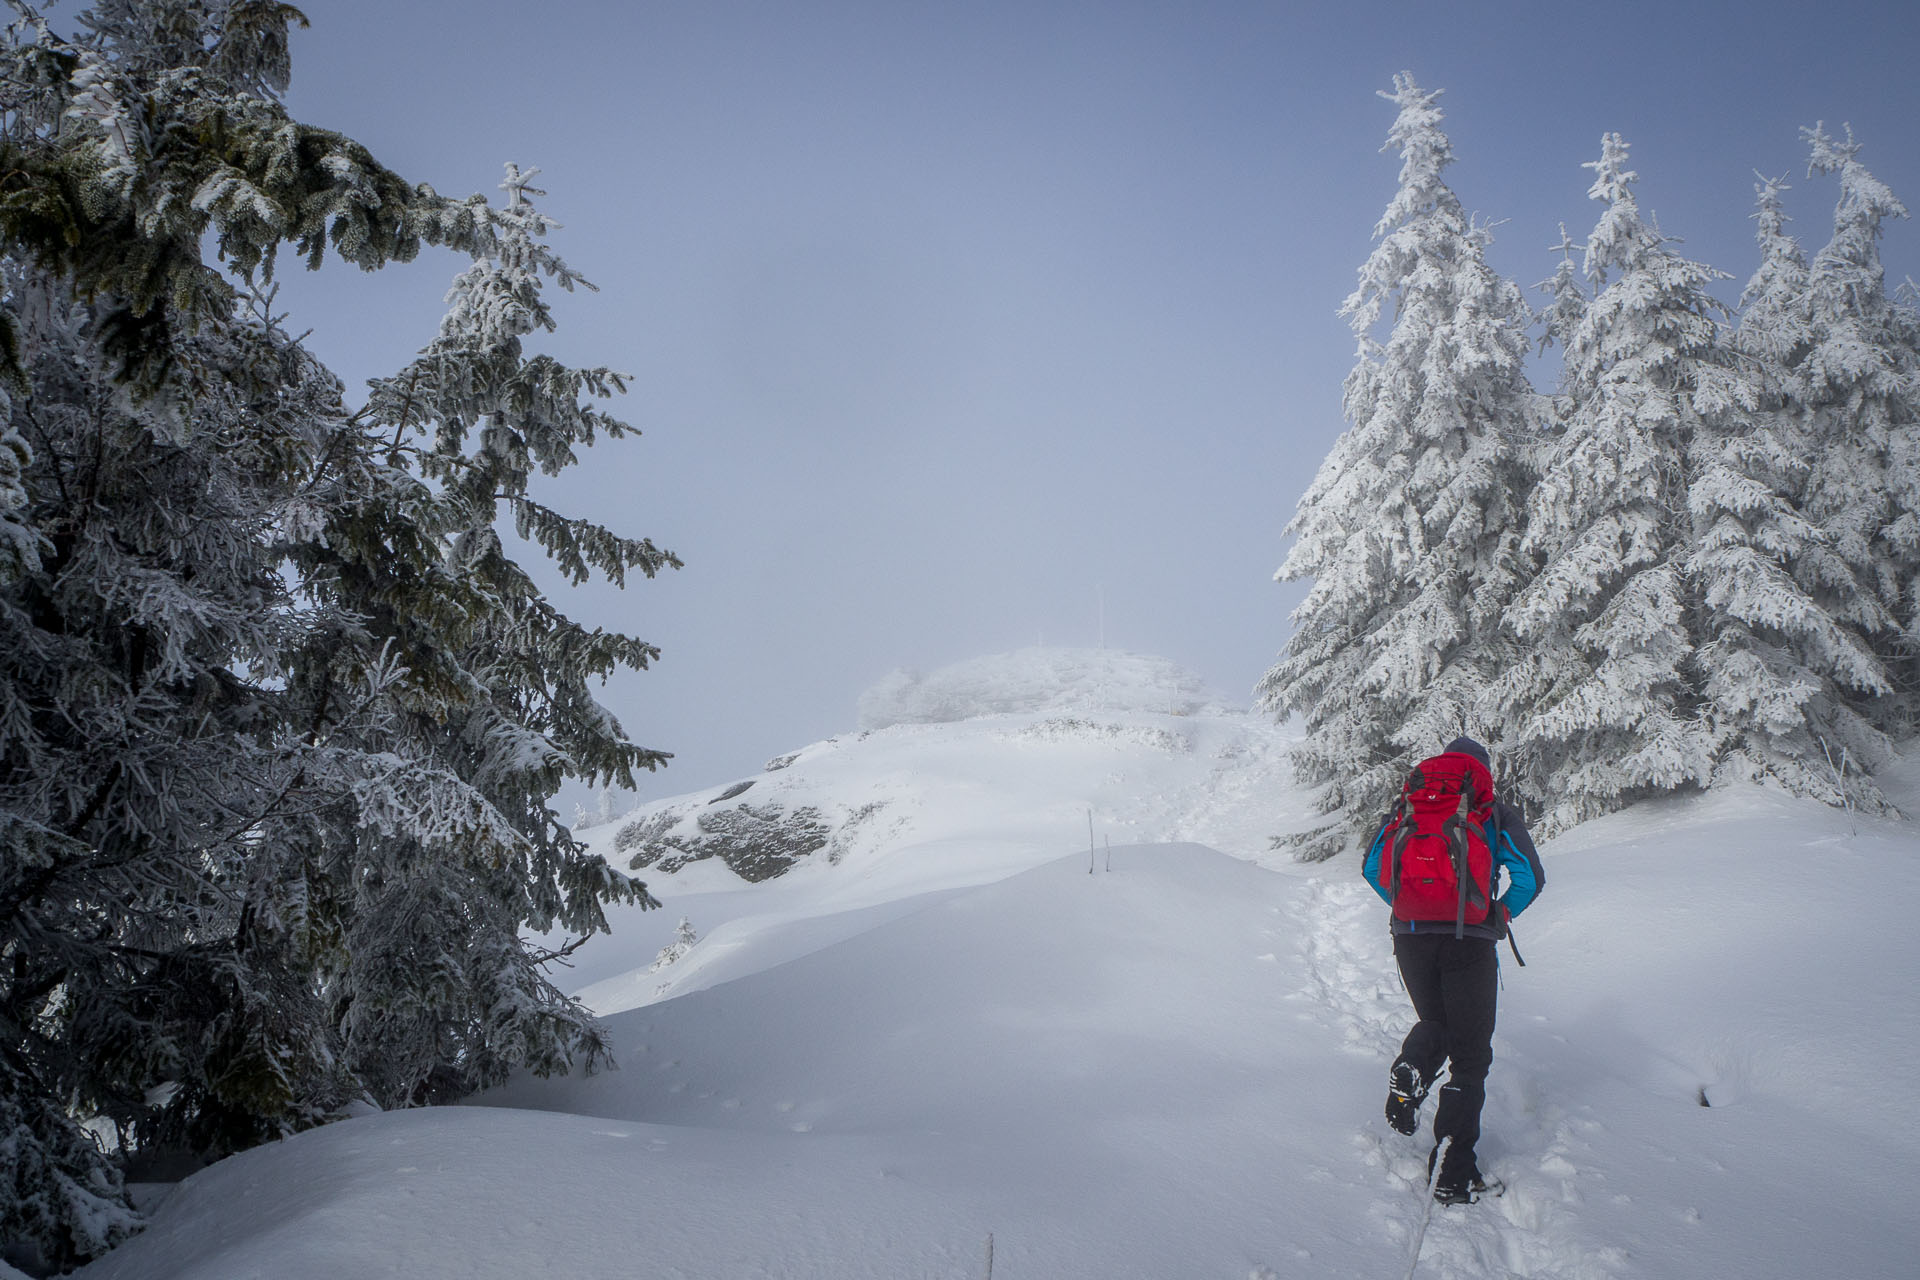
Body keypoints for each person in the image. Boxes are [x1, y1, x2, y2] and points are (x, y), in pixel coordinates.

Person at [1360, 735, 1544, 1205]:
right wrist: (1497, 915)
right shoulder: (1490, 809)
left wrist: (1407, 910)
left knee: (1438, 1024)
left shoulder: (1410, 804)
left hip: (1411, 939)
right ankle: (1452, 1174)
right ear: (1482, 771)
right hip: (1470, 941)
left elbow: (1372, 867)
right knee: (1470, 1056)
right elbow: (1529, 877)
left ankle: (1412, 1065)